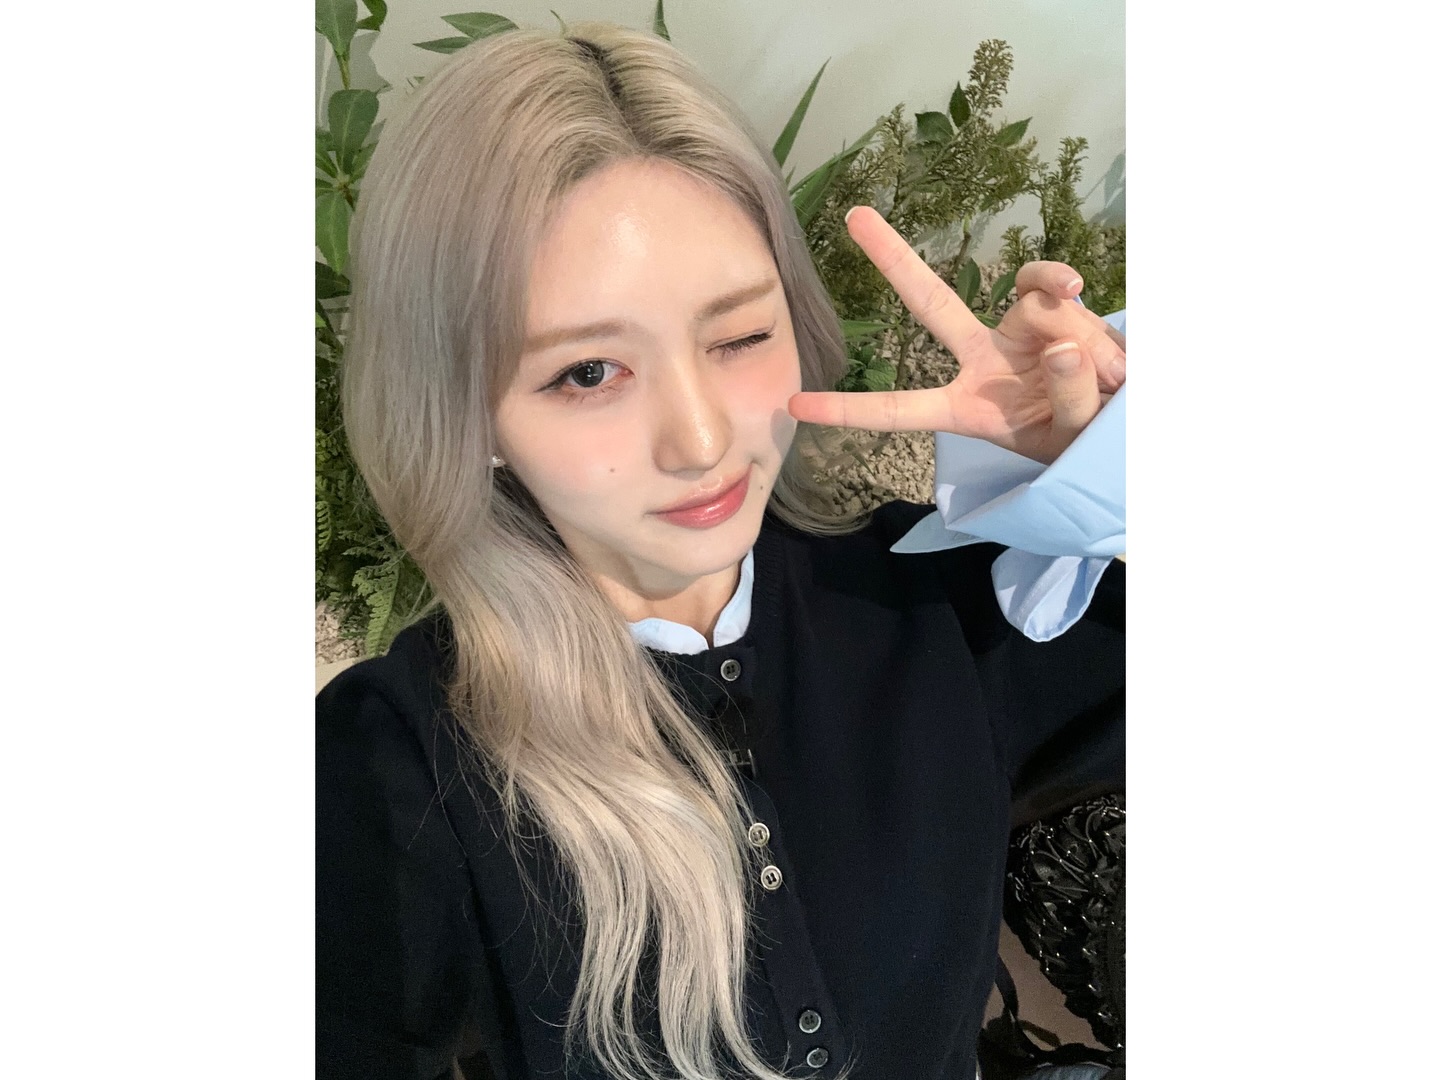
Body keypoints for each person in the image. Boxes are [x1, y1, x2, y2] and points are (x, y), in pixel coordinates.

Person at [318, 21, 1126, 1080]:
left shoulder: (939, 606)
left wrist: (1096, 477)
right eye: (588, 373)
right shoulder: (394, 764)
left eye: (740, 336)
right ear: (467, 415)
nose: (701, 441)